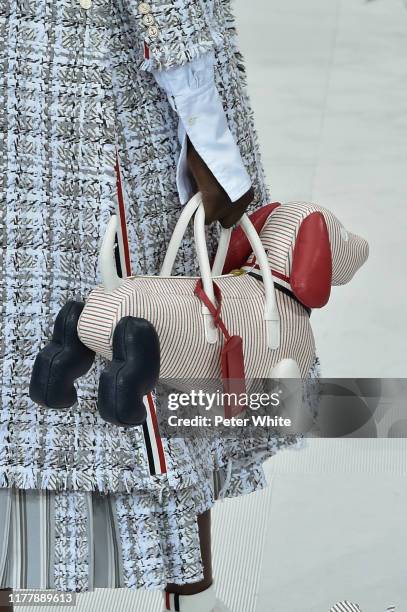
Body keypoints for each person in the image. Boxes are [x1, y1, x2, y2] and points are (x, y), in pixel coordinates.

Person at [0, 2, 302, 611]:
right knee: (170, 338)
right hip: (107, 88)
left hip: (28, 83)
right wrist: (208, 128)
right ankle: (188, 590)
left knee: (23, 388)